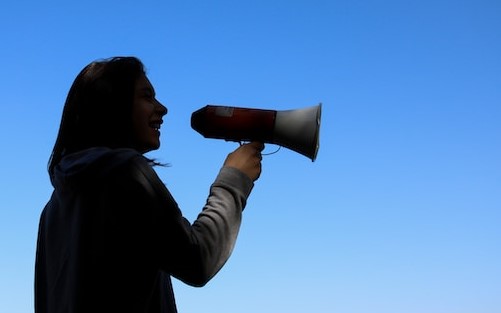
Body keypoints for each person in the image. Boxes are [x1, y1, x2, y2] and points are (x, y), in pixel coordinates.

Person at [35, 56, 264, 313]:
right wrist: (234, 179)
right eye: (147, 97)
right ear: (113, 105)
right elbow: (199, 260)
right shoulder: (125, 171)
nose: (162, 108)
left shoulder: (52, 210)